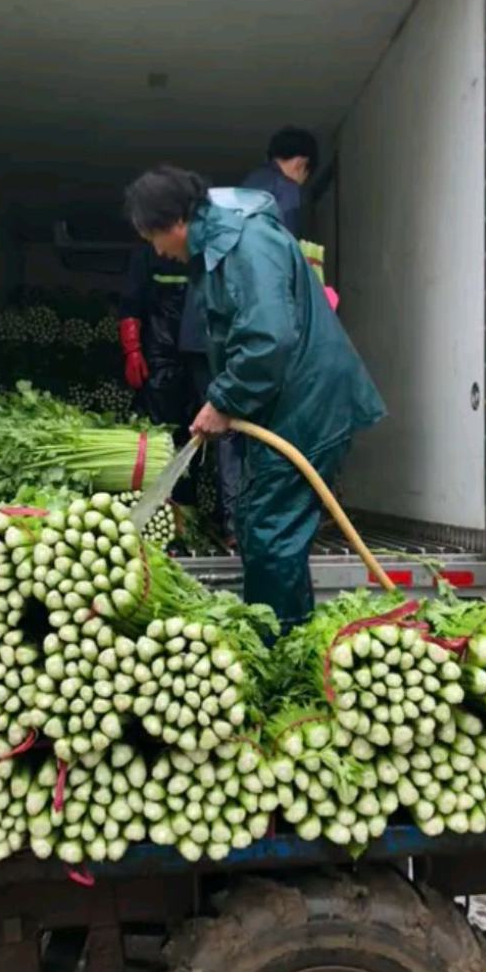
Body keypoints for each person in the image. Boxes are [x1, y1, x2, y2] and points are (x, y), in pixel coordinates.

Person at [123, 165, 386, 630]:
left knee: (271, 534)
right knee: (257, 524)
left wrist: (222, 400)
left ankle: (277, 653)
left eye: (151, 239)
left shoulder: (247, 243)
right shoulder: (220, 246)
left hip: (310, 409)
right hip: (286, 409)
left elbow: (267, 340)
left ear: (173, 223)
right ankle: (290, 635)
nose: (157, 251)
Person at [118, 242, 208, 505]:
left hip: (199, 352)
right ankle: (163, 502)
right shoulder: (146, 252)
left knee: (198, 431)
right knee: (161, 430)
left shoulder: (205, 248)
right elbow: (130, 303)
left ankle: (189, 503)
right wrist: (132, 349)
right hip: (159, 352)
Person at [241, 126, 318, 239]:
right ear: (300, 164)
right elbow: (287, 238)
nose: (300, 184)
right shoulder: (287, 186)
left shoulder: (253, 178)